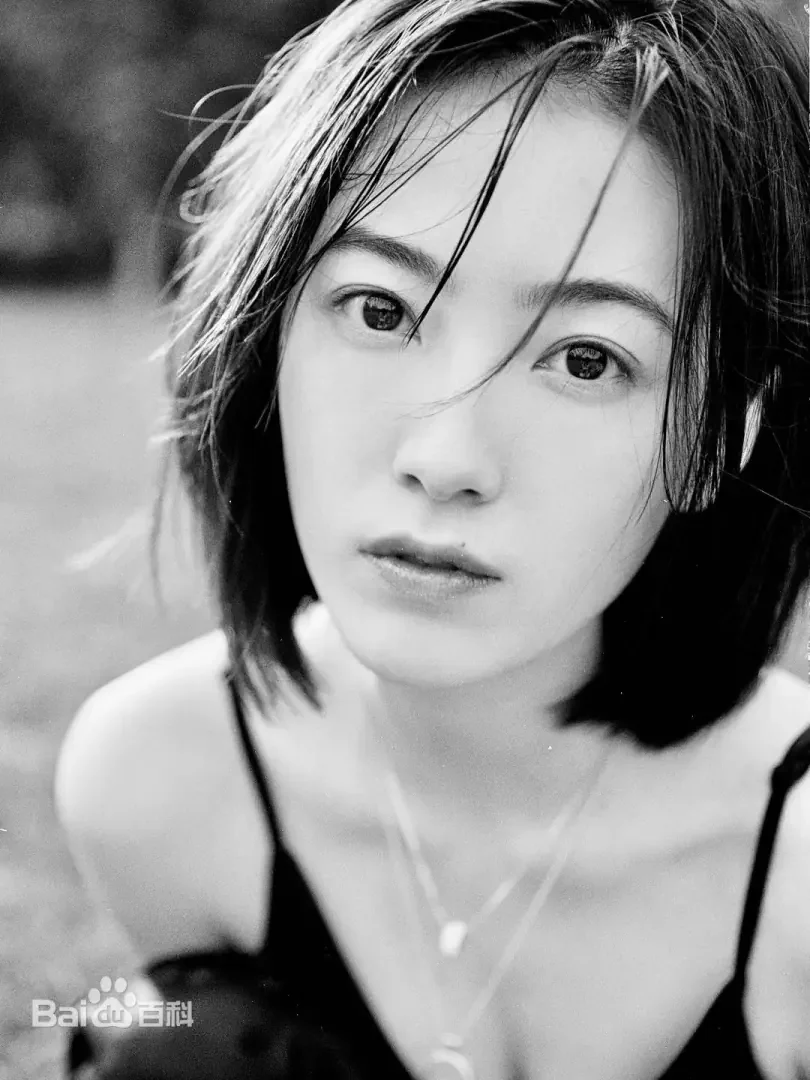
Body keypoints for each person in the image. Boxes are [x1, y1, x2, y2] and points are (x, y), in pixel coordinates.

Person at [55, 1, 810, 1077]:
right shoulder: (163, 783)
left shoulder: (797, 883)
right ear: (266, 335)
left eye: (587, 359)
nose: (447, 457)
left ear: (719, 435)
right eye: (380, 310)